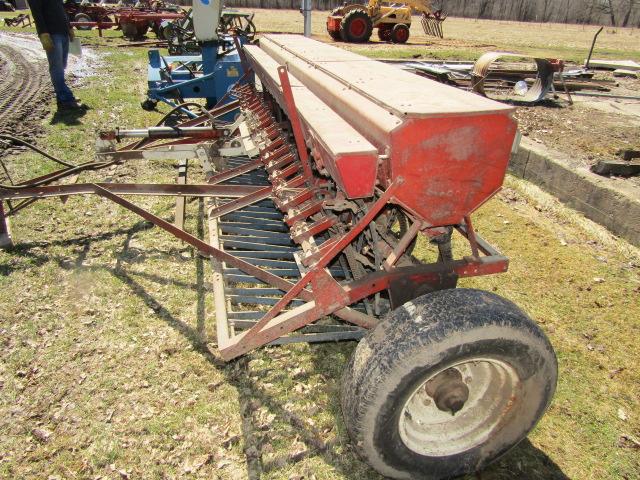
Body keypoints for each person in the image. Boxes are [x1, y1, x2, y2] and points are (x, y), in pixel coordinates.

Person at [27, 0, 87, 111]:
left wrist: (69, 27)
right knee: (57, 67)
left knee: (62, 66)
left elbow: (61, 11)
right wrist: (43, 33)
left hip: (63, 32)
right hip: (52, 34)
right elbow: (37, 13)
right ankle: (66, 99)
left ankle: (63, 97)